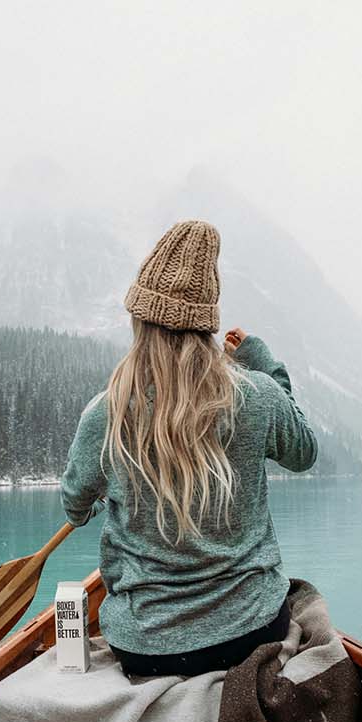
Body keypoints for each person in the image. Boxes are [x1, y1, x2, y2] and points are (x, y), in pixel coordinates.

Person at [61, 219, 318, 677]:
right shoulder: (256, 395)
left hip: (146, 646)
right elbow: (304, 453)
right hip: (253, 631)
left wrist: (92, 503)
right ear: (205, 329)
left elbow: (74, 503)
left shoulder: (105, 413)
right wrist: (265, 366)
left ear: (140, 321)